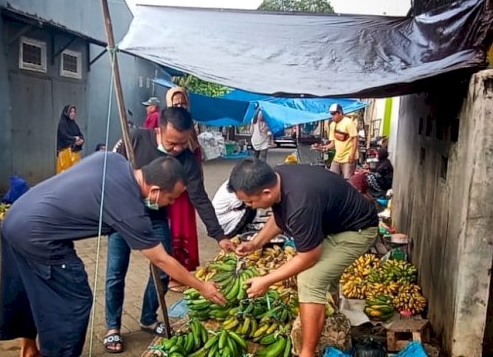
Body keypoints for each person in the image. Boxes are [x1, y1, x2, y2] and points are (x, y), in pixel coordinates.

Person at [0, 152, 226, 357]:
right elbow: (161, 259)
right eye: (171, 198)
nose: (172, 203)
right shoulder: (130, 210)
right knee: (72, 302)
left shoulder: (114, 160)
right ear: (155, 191)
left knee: (29, 288)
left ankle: (28, 350)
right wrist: (202, 286)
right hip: (36, 235)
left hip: (15, 217)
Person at [105, 107, 233, 352]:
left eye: (183, 143)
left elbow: (199, 197)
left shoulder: (187, 157)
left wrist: (219, 235)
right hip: (122, 217)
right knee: (115, 272)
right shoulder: (135, 138)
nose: (178, 149)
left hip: (156, 217)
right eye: (173, 142)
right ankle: (112, 327)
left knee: (163, 270)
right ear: (159, 130)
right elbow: (110, 170)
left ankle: (148, 318)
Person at [228, 158, 378, 357]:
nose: (250, 206)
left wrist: (266, 280)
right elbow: (280, 217)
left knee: (310, 279)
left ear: (266, 192)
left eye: (250, 201)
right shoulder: (277, 178)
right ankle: (331, 322)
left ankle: (307, 353)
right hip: (336, 225)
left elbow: (309, 257)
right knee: (323, 275)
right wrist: (256, 243)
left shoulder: (300, 203)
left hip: (358, 231)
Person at [165, 87, 202, 288]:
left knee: (188, 229)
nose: (180, 107)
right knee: (174, 231)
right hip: (172, 191)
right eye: (176, 103)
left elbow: (197, 155)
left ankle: (186, 271)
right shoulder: (166, 127)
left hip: (190, 190)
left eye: (183, 103)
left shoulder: (191, 128)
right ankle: (173, 275)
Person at [312, 103, 358, 179]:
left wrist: (352, 154)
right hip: (337, 158)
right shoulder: (332, 125)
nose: (332, 116)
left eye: (334, 114)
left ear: (340, 113)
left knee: (348, 180)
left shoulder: (348, 122)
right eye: (331, 114)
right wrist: (322, 147)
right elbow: (333, 143)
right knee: (332, 179)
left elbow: (355, 139)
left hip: (348, 157)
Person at [56, 105, 84, 174]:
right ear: (66, 113)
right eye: (71, 112)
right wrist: (74, 139)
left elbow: (80, 135)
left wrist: (81, 140)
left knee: (76, 174)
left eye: (74, 112)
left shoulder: (74, 125)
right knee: (65, 174)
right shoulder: (62, 124)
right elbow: (64, 136)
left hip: (74, 153)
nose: (73, 113)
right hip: (65, 154)